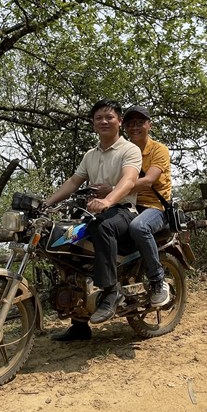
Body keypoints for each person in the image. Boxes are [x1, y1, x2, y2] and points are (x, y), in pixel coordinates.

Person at [44, 100, 142, 341]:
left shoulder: (129, 150)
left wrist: (109, 200)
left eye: (109, 117)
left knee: (103, 227)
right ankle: (79, 323)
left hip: (122, 211)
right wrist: (46, 203)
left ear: (119, 121)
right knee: (67, 245)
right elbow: (73, 182)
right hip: (96, 212)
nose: (104, 121)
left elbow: (128, 181)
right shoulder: (90, 155)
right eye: (99, 118)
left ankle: (111, 291)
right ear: (93, 123)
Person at [95, 105, 173, 308]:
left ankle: (157, 280)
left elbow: (148, 181)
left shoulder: (158, 150)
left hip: (154, 208)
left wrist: (111, 189)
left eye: (140, 123)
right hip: (128, 206)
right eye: (131, 123)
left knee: (139, 227)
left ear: (149, 125)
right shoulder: (122, 149)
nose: (135, 127)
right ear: (124, 126)